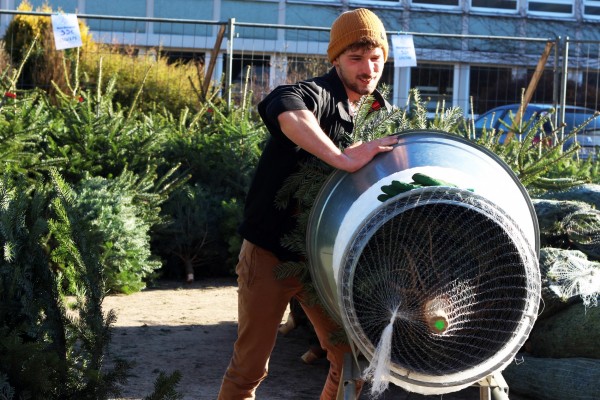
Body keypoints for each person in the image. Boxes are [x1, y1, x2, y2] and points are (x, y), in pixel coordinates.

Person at [218, 8, 397, 400]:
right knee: (249, 370)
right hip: (269, 255)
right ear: (335, 60)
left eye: (376, 59)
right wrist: (343, 157)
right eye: (356, 59)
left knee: (350, 359)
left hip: (320, 261)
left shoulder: (372, 110)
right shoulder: (318, 94)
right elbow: (284, 105)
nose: (369, 69)